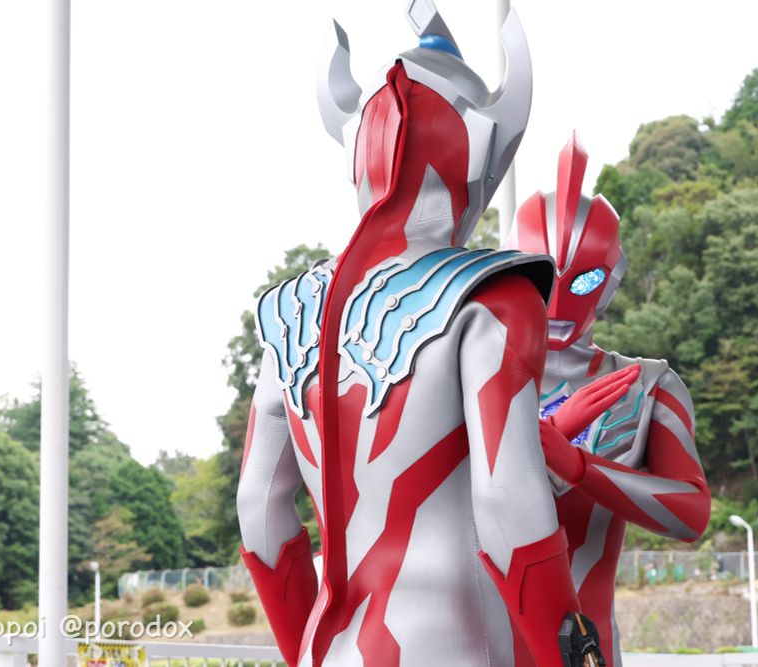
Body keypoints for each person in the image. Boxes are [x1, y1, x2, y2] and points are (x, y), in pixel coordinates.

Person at [235, 3, 626, 665]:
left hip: (335, 648)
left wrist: (307, 650)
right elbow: (507, 501)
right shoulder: (491, 297)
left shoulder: (290, 311)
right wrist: (573, 656)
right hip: (458, 643)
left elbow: (259, 509)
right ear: (481, 156)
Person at [508, 133, 712, 666]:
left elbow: (691, 513)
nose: (558, 299)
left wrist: (577, 464)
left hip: (583, 647)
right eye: (542, 274)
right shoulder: (468, 373)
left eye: (584, 279)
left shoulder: (645, 385)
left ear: (612, 279)